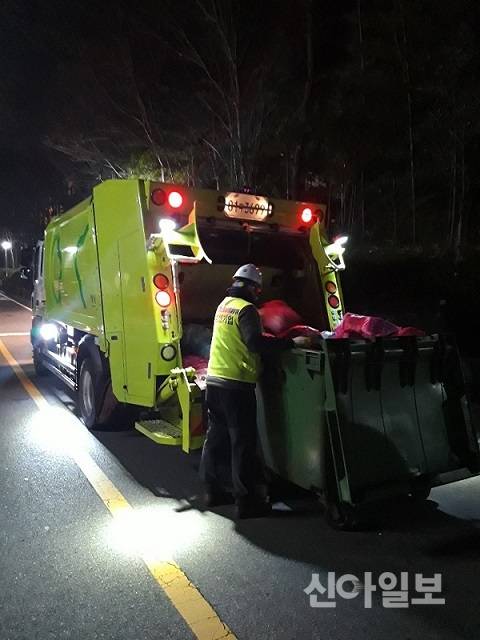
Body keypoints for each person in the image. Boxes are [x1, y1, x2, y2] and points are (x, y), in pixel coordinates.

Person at [200, 264, 310, 518]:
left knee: (215, 438)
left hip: (215, 382)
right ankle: (246, 502)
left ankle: (211, 491)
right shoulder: (247, 309)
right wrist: (290, 343)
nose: (257, 295)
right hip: (236, 385)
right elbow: (254, 343)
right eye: (257, 290)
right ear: (251, 287)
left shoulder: (224, 305)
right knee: (243, 445)